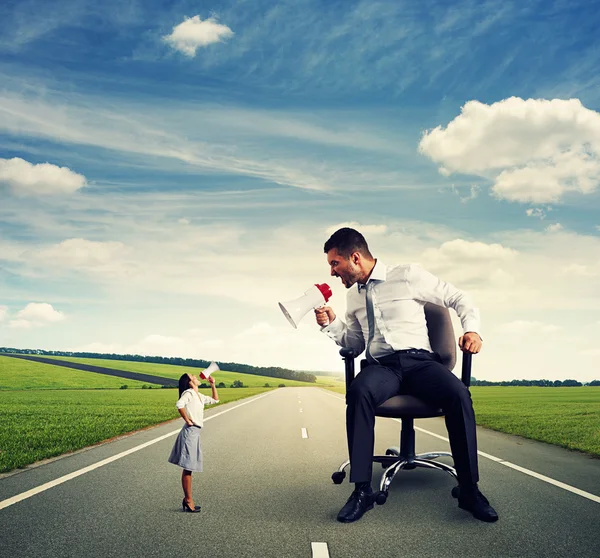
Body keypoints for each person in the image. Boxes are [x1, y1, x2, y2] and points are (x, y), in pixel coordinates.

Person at [315, 227, 498, 523]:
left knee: (458, 394)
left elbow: (458, 297)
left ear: (356, 257)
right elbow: (355, 344)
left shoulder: (408, 275)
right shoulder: (352, 299)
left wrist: (472, 329)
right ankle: (362, 491)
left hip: (420, 363)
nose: (333, 272)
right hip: (382, 368)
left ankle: (469, 490)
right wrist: (332, 325)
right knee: (359, 392)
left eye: (335, 264)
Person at [168, 371, 219, 513]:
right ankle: (188, 500)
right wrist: (187, 420)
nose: (196, 377)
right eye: (193, 377)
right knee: (188, 468)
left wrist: (212, 384)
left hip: (195, 433)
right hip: (190, 433)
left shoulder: (198, 396)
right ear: (189, 382)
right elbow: (179, 404)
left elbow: (215, 400)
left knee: (189, 468)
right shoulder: (189, 393)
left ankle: (188, 499)